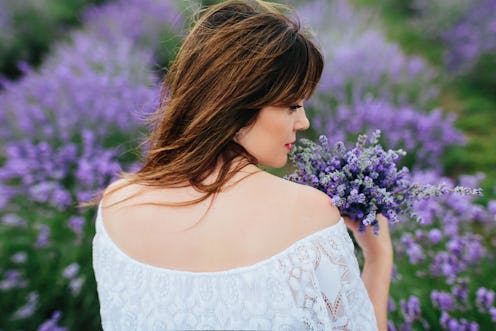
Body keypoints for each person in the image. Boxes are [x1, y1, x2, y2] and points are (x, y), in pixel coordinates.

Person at [91, 0, 393, 330]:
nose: (303, 122)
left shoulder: (117, 204)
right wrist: (378, 260)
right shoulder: (311, 216)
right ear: (237, 106)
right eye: (292, 106)